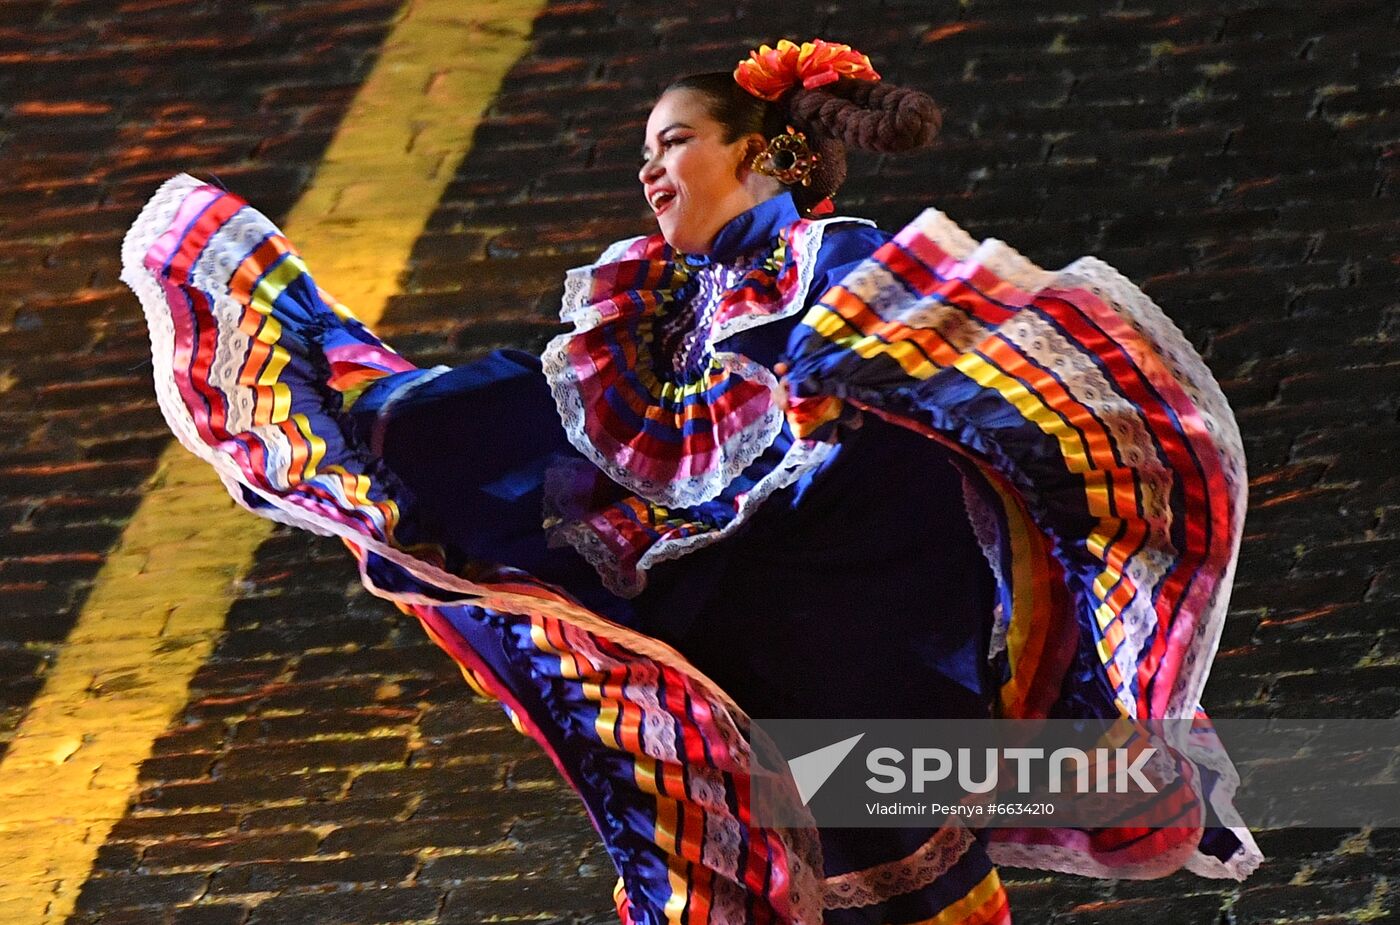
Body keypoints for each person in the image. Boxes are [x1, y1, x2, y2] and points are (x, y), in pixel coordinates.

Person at [121, 38, 1260, 925]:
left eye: (670, 141)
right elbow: (565, 428)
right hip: (761, 653)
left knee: (877, 855)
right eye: (645, 149)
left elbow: (933, 388)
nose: (647, 166)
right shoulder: (669, 303)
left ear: (760, 154)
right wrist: (391, 418)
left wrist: (811, 419)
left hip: (851, 637)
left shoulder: (834, 269)